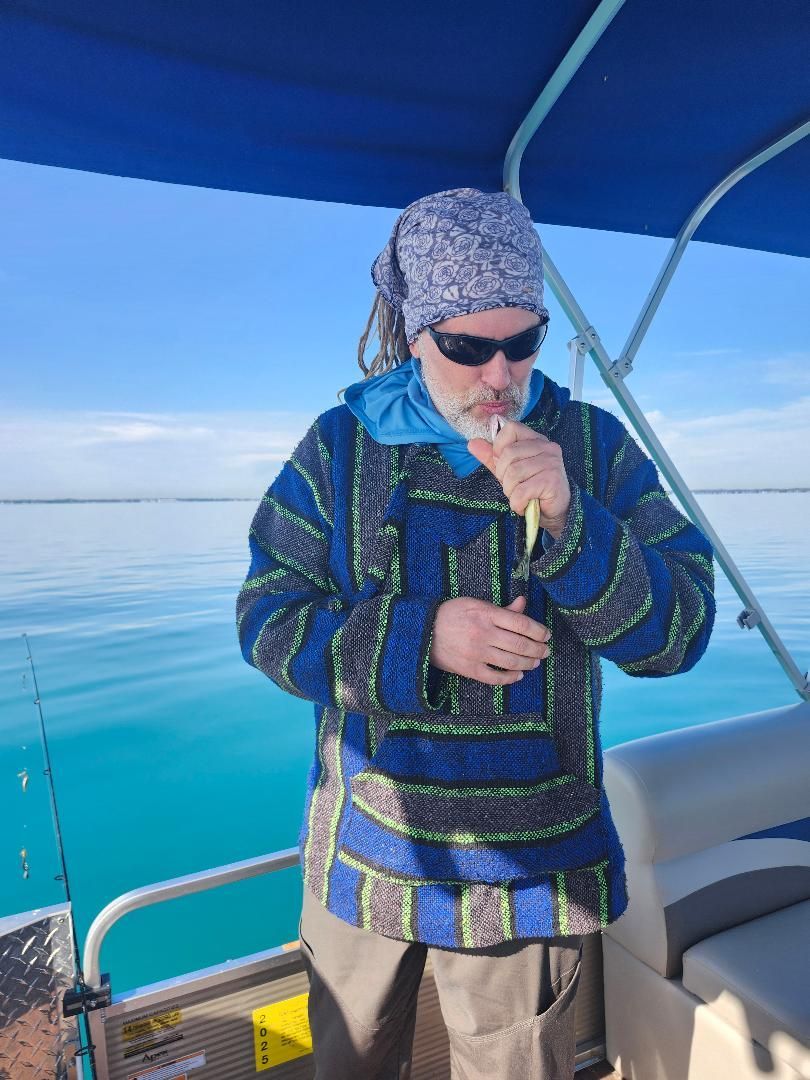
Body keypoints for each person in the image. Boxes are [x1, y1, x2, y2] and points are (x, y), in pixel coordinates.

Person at [236, 187, 716, 1079]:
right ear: (416, 333)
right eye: (466, 346)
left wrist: (573, 520)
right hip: (362, 864)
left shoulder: (593, 446)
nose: (500, 375)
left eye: (522, 341)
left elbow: (679, 632)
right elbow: (267, 618)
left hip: (531, 879)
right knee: (350, 1063)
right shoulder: (339, 452)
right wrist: (418, 639)